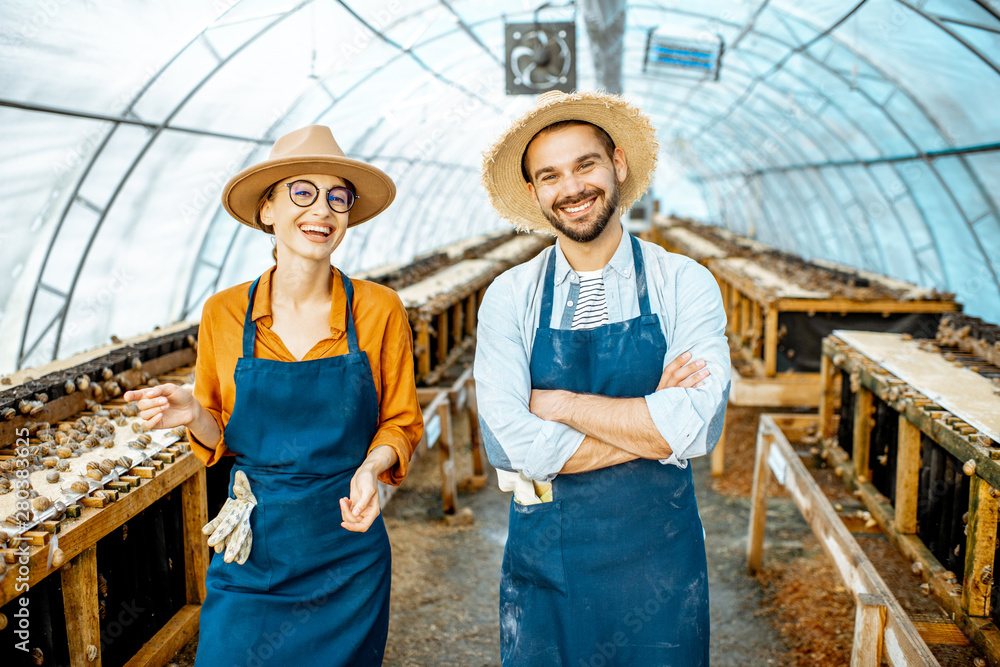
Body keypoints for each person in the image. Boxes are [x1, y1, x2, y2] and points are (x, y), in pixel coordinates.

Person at [123, 125, 423, 666]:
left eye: (338, 197)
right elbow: (219, 435)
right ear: (267, 210)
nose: (323, 210)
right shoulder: (225, 312)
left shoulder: (379, 310)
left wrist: (370, 468)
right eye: (302, 192)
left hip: (346, 553)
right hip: (254, 547)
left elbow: (400, 422)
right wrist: (195, 411)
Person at [475, 91, 731, 666]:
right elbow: (508, 445)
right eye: (550, 176)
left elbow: (695, 429)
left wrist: (559, 402)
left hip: (660, 569)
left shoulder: (683, 282)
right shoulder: (509, 298)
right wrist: (651, 424)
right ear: (536, 192)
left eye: (584, 164)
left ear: (616, 163)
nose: (571, 188)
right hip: (547, 560)